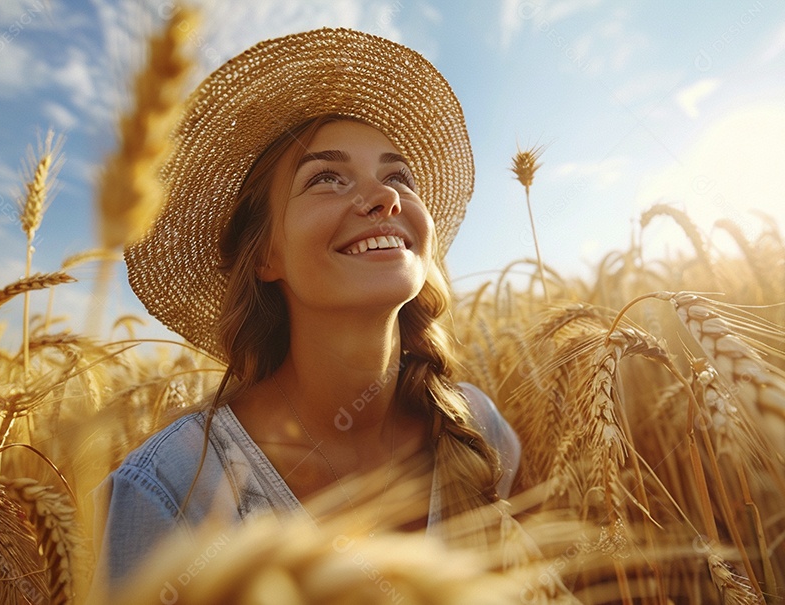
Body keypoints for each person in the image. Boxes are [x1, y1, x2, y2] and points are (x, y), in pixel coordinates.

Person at [95, 27, 521, 590]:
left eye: (397, 176)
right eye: (326, 178)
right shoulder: (171, 489)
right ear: (267, 254)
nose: (385, 196)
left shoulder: (476, 428)